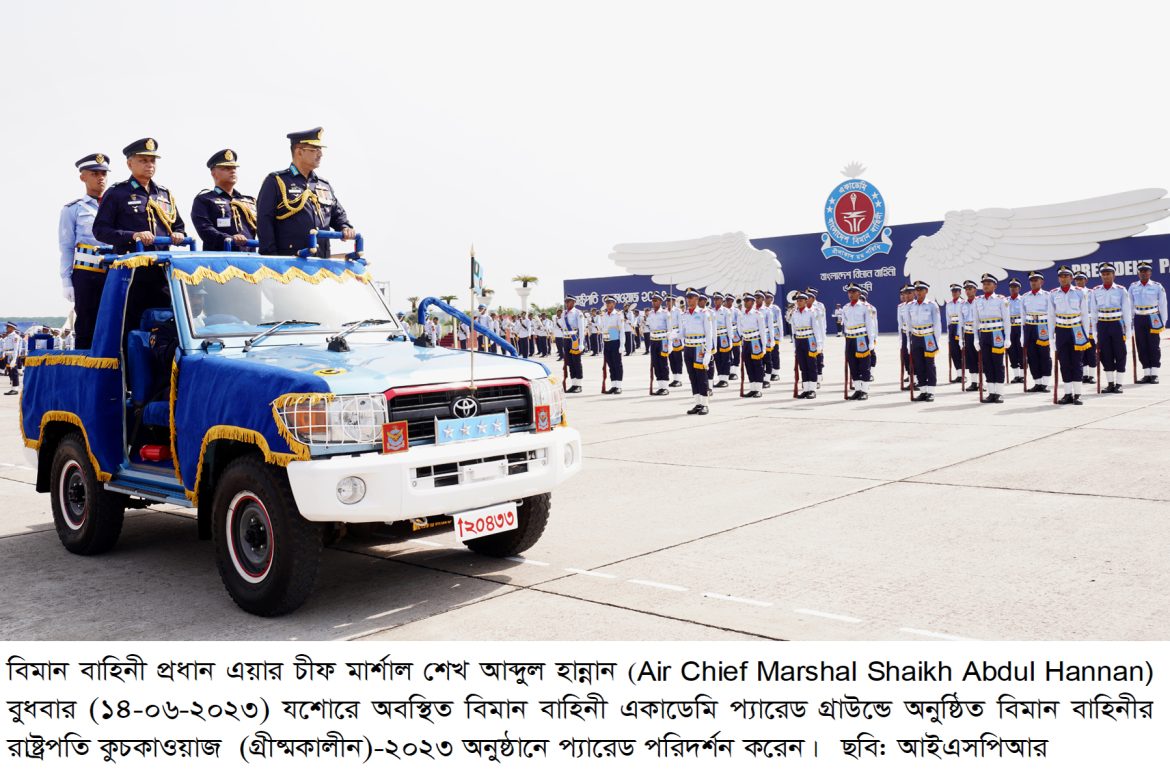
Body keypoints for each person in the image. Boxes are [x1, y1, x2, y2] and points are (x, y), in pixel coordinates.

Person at [256, 127, 355, 258]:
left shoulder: (323, 185)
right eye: (315, 150)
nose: (320, 154)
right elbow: (264, 221)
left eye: (320, 150)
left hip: (321, 260)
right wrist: (271, 258)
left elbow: (337, 214)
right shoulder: (276, 181)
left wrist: (344, 226)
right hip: (289, 262)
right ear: (299, 152)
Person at [93, 138, 187, 254]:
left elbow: (178, 226)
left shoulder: (164, 194)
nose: (150, 165)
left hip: (163, 266)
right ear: (129, 164)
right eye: (143, 161)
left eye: (153, 161)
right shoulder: (116, 193)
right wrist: (133, 236)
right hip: (132, 265)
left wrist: (179, 233)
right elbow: (100, 231)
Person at [59, 152, 110, 350]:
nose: (101, 178)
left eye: (104, 173)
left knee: (117, 320)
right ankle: (86, 371)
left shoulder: (116, 206)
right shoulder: (73, 209)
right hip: (87, 273)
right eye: (95, 173)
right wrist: (66, 281)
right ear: (83, 177)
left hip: (115, 270)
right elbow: (66, 245)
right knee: (86, 323)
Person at [191, 149, 257, 252]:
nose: (233, 171)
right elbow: (205, 230)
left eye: (234, 168)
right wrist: (228, 238)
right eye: (226, 168)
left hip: (249, 259)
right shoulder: (204, 200)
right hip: (219, 261)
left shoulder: (249, 201)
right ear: (213, 173)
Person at [1049, 266, 1092, 405]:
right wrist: (1051, 337)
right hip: (1061, 330)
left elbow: (1085, 315)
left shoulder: (1080, 293)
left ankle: (1078, 394)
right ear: (1058, 278)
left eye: (1066, 276)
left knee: (1077, 362)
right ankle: (1067, 393)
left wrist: (1085, 334)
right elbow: (1051, 316)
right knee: (1064, 363)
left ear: (1071, 278)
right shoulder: (1053, 293)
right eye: (1061, 276)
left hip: (1076, 329)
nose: (1064, 278)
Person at [1088, 262, 1132, 393]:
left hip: (1116, 324)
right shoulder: (1095, 290)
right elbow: (1093, 311)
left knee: (1120, 352)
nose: (1106, 276)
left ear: (1114, 275)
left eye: (1108, 274)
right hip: (1102, 324)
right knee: (1105, 353)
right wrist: (1094, 331)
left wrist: (1128, 328)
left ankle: (1119, 383)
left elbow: (1126, 310)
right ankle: (1110, 383)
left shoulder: (1120, 289)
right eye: (1103, 274)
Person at [970, 273, 1010, 403]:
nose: (986, 286)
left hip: (997, 334)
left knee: (997, 363)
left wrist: (1007, 337)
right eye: (984, 284)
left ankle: (999, 392)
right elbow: (975, 322)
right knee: (987, 363)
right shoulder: (978, 300)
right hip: (984, 335)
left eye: (988, 283)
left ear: (995, 285)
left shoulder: (1001, 299)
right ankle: (991, 392)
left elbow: (1006, 321)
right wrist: (976, 338)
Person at [905, 281, 944, 401]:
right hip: (916, 337)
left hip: (928, 337)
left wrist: (936, 340)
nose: (918, 292)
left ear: (926, 291)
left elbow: (937, 324)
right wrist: (908, 341)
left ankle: (931, 391)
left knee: (929, 364)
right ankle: (923, 390)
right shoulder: (910, 306)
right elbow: (908, 325)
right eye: (917, 290)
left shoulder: (932, 305)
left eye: (921, 290)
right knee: (919, 365)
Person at [1129, 260, 1166, 383]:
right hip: (1139, 317)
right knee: (1142, 345)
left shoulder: (1157, 286)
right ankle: (1146, 373)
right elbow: (1130, 305)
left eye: (1146, 271)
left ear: (1150, 273)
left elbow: (1162, 305)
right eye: (1141, 271)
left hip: (1153, 317)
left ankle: (1154, 373)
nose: (1143, 273)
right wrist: (1130, 322)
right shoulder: (1133, 286)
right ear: (1138, 273)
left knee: (1153, 345)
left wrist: (1163, 322)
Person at [680, 289, 713, 414]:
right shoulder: (685, 314)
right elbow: (683, 332)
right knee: (692, 376)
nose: (689, 299)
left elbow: (709, 334)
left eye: (691, 297)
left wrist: (708, 353)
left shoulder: (704, 313)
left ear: (697, 299)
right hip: (688, 347)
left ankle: (705, 404)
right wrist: (674, 335)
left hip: (700, 347)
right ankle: (697, 403)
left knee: (701, 375)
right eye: (687, 297)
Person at [841, 284, 876, 399]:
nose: (850, 294)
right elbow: (845, 325)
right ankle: (857, 389)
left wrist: (871, 342)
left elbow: (870, 325)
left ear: (859, 293)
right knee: (853, 364)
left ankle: (864, 391)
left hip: (861, 338)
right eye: (849, 292)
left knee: (864, 365)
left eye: (853, 292)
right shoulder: (845, 307)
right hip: (850, 338)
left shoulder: (866, 307)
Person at [789, 291, 825, 398]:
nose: (799, 302)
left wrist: (819, 344)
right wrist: (794, 345)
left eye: (801, 301)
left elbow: (816, 329)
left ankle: (812, 389)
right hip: (799, 340)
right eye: (798, 301)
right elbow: (793, 330)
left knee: (811, 365)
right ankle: (806, 389)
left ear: (806, 301)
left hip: (810, 340)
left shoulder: (811, 313)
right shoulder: (794, 313)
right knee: (803, 366)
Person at [1022, 272, 1053, 393]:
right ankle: (1037, 382)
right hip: (1029, 327)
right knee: (1032, 356)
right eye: (1032, 280)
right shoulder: (1025, 296)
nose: (1034, 282)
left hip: (1042, 327)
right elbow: (1023, 315)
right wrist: (1023, 334)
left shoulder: (1047, 295)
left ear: (1042, 282)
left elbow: (1051, 314)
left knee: (1044, 355)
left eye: (1036, 280)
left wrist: (1052, 332)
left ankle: (1045, 383)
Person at [736, 292, 769, 397]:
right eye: (744, 301)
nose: (745, 303)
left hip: (755, 340)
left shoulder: (757, 314)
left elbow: (763, 331)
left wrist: (763, 347)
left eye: (747, 301)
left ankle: (758, 389)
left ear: (753, 302)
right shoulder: (742, 314)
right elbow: (739, 328)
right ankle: (752, 388)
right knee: (748, 365)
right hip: (746, 341)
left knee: (757, 365)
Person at [645, 292, 671, 395]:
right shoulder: (650, 313)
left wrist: (669, 344)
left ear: (660, 301)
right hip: (653, 340)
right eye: (652, 300)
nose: (654, 302)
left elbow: (669, 329)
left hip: (662, 340)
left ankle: (665, 387)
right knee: (655, 363)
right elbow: (649, 326)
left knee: (663, 363)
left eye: (656, 300)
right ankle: (660, 386)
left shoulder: (665, 313)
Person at [598, 295, 625, 394]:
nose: (609, 305)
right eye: (607, 303)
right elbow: (601, 329)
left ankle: (619, 386)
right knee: (610, 364)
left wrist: (622, 345)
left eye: (610, 303)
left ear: (614, 304)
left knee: (617, 364)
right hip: (606, 342)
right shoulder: (603, 315)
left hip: (615, 340)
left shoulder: (618, 315)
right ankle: (613, 385)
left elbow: (621, 331)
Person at [1073, 270, 1096, 384]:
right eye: (1077, 279)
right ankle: (1084, 374)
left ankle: (1091, 375)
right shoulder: (1074, 292)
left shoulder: (1092, 292)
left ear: (1086, 280)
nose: (1079, 281)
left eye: (1081, 279)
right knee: (1080, 350)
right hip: (1077, 324)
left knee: (1091, 350)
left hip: (1090, 324)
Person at [562, 295, 586, 393]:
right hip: (566, 339)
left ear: (574, 302)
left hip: (575, 340)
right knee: (569, 362)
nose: (567, 303)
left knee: (576, 362)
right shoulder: (564, 313)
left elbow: (581, 328)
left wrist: (581, 343)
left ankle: (579, 384)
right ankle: (573, 383)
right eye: (566, 302)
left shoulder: (578, 313)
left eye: (569, 301)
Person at [959, 280, 980, 391]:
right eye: (966, 289)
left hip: (980, 333)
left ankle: (982, 381)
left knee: (981, 358)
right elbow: (961, 322)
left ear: (975, 290)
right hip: (968, 333)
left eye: (970, 289)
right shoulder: (962, 304)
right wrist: (960, 338)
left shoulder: (980, 301)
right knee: (971, 358)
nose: (967, 291)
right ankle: (974, 382)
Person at [711, 291, 734, 388]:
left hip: (724, 336)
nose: (716, 301)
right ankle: (720, 377)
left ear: (722, 300)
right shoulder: (711, 311)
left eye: (718, 299)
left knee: (725, 358)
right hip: (714, 337)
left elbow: (729, 326)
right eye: (714, 299)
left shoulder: (726, 311)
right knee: (717, 358)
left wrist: (731, 340)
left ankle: (725, 379)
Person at [1006, 278, 1026, 383]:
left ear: (1019, 288)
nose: (1013, 289)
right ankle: (1016, 375)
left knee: (1021, 351)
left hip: (1020, 327)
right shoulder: (1005, 301)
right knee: (1011, 351)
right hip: (1009, 327)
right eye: (1011, 287)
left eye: (1015, 287)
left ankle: (1023, 375)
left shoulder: (1023, 299)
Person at [944, 282, 964, 382]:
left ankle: (965, 374)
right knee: (954, 352)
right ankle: (959, 374)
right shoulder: (949, 304)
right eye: (953, 291)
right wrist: (949, 333)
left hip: (961, 327)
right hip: (952, 327)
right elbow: (948, 319)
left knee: (963, 352)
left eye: (956, 291)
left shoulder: (963, 303)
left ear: (960, 292)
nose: (954, 293)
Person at [764, 291, 784, 381]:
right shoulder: (761, 308)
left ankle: (775, 372)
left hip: (774, 332)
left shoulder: (775, 308)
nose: (767, 299)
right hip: (764, 332)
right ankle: (767, 370)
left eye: (768, 297)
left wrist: (781, 335)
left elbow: (780, 322)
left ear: (772, 299)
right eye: (765, 297)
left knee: (775, 352)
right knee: (765, 353)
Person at [896, 284, 914, 384]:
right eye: (901, 294)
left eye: (905, 294)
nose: (903, 296)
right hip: (904, 333)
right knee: (905, 355)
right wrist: (900, 339)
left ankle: (916, 376)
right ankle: (909, 374)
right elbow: (900, 323)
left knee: (915, 355)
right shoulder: (900, 307)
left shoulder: (915, 305)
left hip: (914, 333)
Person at [667, 296, 685, 387]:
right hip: (668, 335)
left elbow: (681, 325)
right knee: (671, 358)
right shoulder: (665, 311)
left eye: (669, 301)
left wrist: (680, 337)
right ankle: (674, 377)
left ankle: (679, 379)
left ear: (673, 301)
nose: (668, 302)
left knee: (677, 357)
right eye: (666, 301)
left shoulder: (677, 311)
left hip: (676, 334)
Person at [2, 323, 20, 395]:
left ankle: (15, 389)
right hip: (7, 355)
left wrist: (14, 359)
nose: (6, 328)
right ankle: (13, 388)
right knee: (10, 372)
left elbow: (16, 349)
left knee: (14, 372)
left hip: (12, 355)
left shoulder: (15, 337)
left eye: (8, 327)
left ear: (12, 328)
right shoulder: (8, 336)